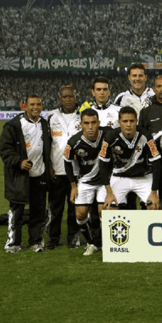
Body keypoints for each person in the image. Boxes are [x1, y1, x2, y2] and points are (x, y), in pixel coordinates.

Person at [0, 95, 51, 253]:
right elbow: (5, 150)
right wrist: (19, 162)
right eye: (32, 104)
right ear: (25, 106)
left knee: (38, 211)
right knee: (17, 211)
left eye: (38, 104)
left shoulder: (44, 124)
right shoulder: (14, 125)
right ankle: (13, 243)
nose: (35, 107)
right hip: (19, 176)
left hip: (39, 175)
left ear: (42, 106)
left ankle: (35, 241)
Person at [64, 108, 111, 256]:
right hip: (85, 181)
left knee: (104, 212)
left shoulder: (108, 134)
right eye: (86, 123)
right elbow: (67, 162)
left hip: (105, 182)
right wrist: (73, 186)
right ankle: (91, 243)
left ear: (99, 123)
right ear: (81, 124)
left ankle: (106, 244)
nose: (90, 127)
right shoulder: (73, 142)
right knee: (81, 214)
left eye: (93, 123)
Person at [100, 106, 162, 210]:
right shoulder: (110, 137)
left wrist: (154, 192)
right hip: (120, 176)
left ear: (136, 121)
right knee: (110, 207)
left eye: (131, 121)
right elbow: (102, 164)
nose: (128, 124)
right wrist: (109, 192)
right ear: (119, 122)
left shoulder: (146, 136)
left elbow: (156, 163)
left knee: (153, 206)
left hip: (143, 176)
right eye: (125, 121)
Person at [46, 85, 81, 250]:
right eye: (64, 97)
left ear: (75, 97)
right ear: (60, 98)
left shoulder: (82, 115)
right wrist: (49, 165)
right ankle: (53, 238)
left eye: (70, 96)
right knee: (55, 208)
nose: (67, 99)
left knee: (75, 208)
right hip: (57, 170)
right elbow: (46, 144)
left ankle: (73, 238)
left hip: (77, 171)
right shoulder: (51, 116)